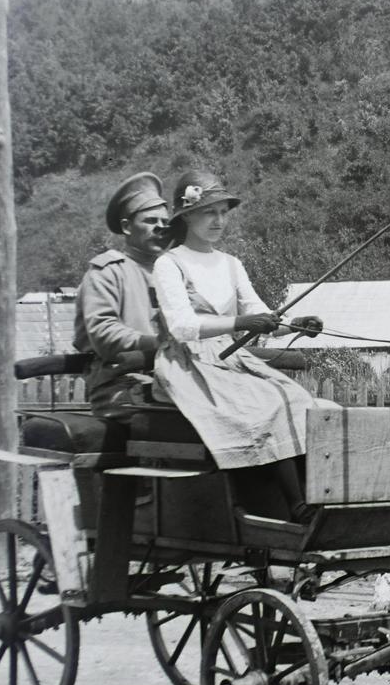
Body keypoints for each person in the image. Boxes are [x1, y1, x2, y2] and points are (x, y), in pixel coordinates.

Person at [151, 170, 322, 521]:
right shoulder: (169, 264)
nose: (218, 220)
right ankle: (294, 506)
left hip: (230, 359)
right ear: (186, 217)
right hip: (189, 363)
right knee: (266, 404)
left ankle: (312, 495)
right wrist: (242, 324)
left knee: (299, 399)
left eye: (223, 212)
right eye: (208, 212)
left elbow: (258, 314)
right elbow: (182, 326)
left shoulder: (231, 264)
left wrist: (295, 324)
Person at [74, 172, 170, 420]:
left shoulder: (174, 272)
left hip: (170, 378)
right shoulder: (107, 272)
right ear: (127, 227)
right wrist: (159, 342)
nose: (161, 228)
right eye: (150, 220)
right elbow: (104, 333)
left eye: (164, 221)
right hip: (119, 386)